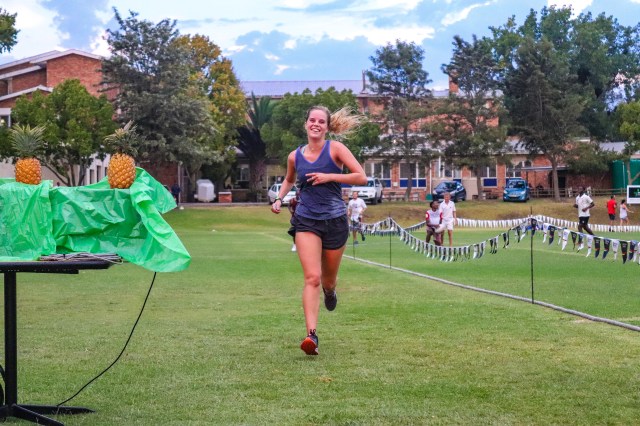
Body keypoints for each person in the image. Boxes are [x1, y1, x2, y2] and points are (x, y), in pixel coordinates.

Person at [271, 105, 366, 356]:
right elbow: (289, 179)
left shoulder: (336, 149)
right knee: (312, 277)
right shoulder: (295, 156)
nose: (316, 124)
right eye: (312, 120)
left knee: (327, 280)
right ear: (306, 124)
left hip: (335, 220)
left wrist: (330, 177)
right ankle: (311, 336)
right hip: (306, 220)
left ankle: (330, 291)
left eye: (321, 121)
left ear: (326, 126)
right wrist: (279, 198)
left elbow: (361, 177)